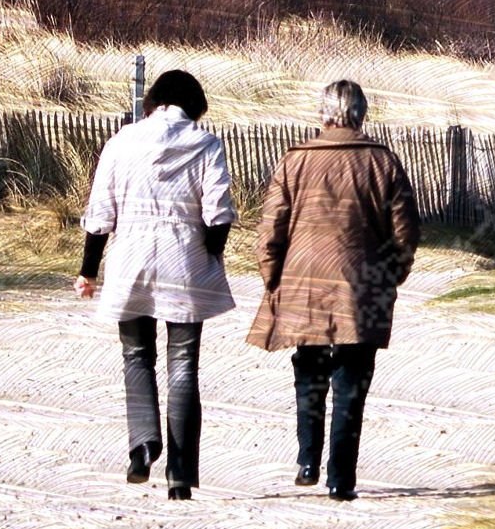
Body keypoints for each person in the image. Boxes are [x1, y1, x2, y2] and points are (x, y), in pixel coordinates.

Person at [245, 80, 422, 501]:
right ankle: (341, 477)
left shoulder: (295, 161)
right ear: (362, 113)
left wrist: (273, 278)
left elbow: (271, 228)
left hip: (303, 280)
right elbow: (406, 232)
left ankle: (308, 459)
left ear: (323, 114)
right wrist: (392, 275)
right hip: (363, 284)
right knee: (352, 380)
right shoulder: (384, 162)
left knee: (308, 368)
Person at [77, 68, 236, 501]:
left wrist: (88, 270)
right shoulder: (205, 143)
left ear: (154, 100)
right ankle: (181, 476)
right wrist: (210, 253)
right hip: (185, 262)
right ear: (193, 105)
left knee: (136, 356)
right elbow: (218, 212)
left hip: (130, 260)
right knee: (183, 365)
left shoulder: (121, 142)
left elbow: (99, 214)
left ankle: (142, 446)